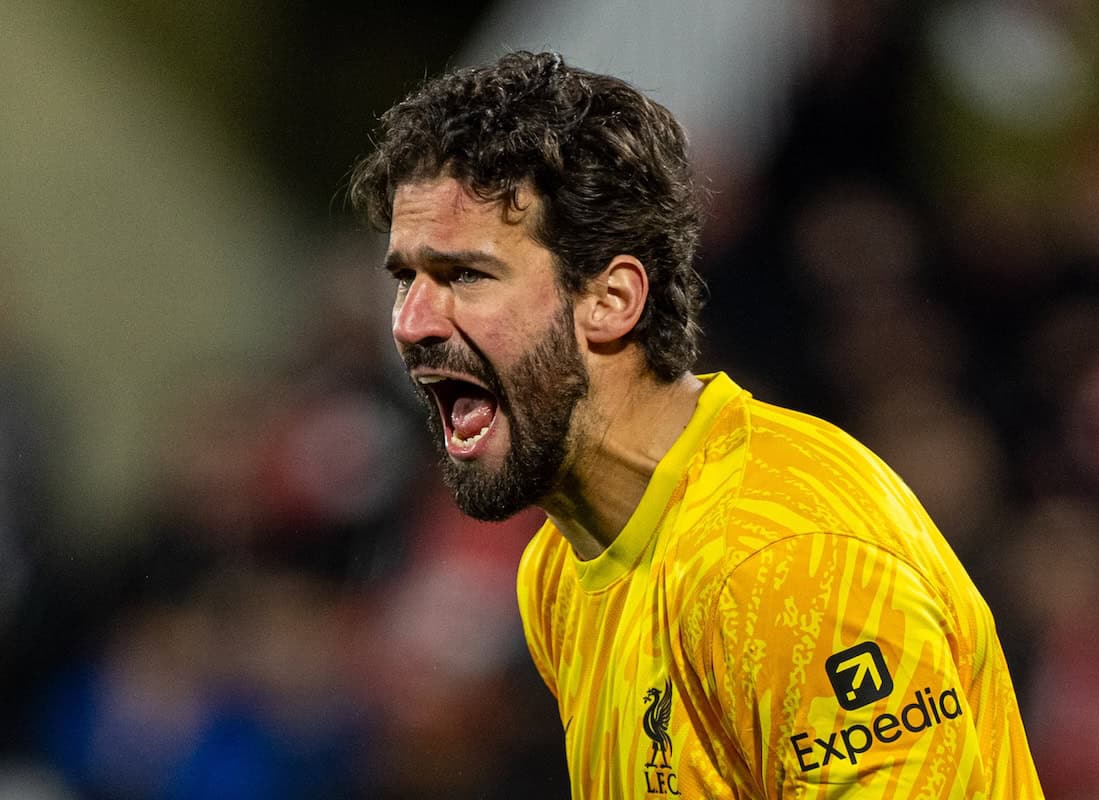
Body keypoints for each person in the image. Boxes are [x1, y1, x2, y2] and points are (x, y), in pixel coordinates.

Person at [349, 50, 1044, 798]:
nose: (412, 322)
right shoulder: (560, 567)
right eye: (405, 279)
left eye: (466, 276)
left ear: (612, 300)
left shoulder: (784, 559)